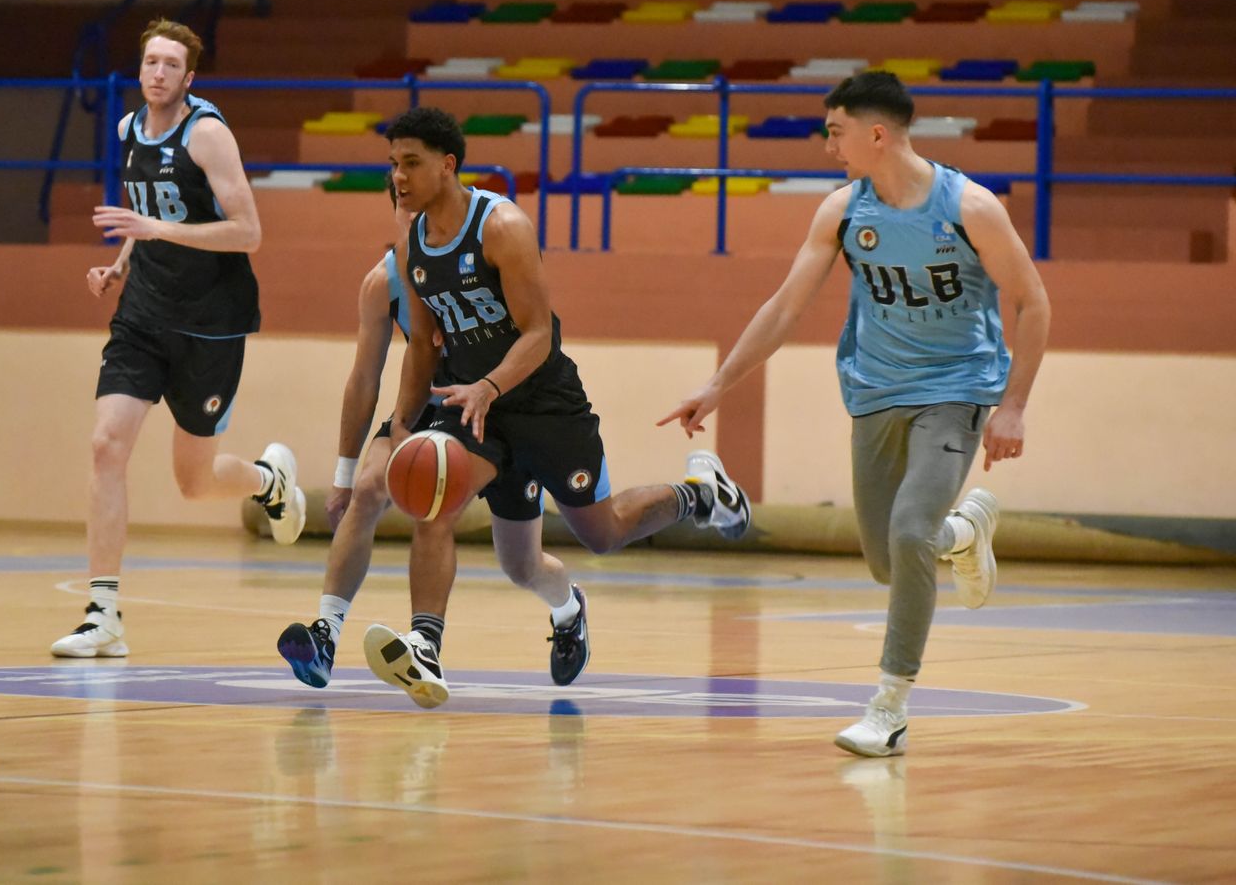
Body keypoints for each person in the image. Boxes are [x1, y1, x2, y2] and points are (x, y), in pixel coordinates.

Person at [660, 71, 1051, 757]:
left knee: (907, 531)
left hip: (956, 389)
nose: (828, 146)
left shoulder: (972, 207)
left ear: (877, 134)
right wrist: (720, 383)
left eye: (835, 132)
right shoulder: (842, 211)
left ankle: (889, 706)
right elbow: (785, 306)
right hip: (874, 392)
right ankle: (964, 532)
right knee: (888, 562)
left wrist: (1012, 406)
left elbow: (1034, 301)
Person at [364, 107, 753, 708]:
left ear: (447, 165)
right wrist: (399, 423)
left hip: (543, 403)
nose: (399, 177)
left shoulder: (502, 227)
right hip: (471, 405)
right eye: (392, 165)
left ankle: (701, 494)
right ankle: (427, 646)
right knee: (459, 521)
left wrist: (491, 386)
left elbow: (538, 334)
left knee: (601, 534)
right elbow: (419, 344)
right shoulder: (410, 241)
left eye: (410, 163)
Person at [50, 19, 305, 659]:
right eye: (150, 62)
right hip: (142, 316)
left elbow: (248, 232)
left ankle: (269, 482)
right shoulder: (129, 129)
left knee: (193, 482)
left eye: (170, 65)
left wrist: (157, 231)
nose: (157, 72)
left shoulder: (209, 135)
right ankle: (102, 614)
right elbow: (149, 213)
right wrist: (123, 262)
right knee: (106, 445)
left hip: (210, 323)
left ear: (189, 78)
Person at [275, 179, 432, 687]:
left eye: (424, 211)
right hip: (428, 405)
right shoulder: (382, 282)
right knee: (368, 490)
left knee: (538, 553)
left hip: (502, 401)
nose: (414, 223)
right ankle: (326, 635)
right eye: (405, 212)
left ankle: (565, 608)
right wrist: (342, 476)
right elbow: (365, 378)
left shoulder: (483, 260)